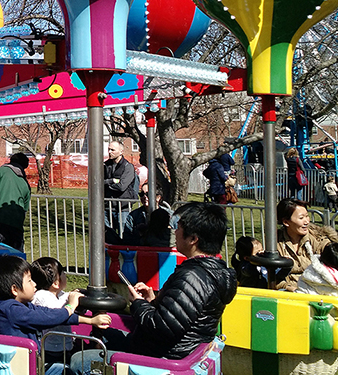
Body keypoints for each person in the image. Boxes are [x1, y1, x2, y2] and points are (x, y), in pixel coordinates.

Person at [70, 203, 237, 374]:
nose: (175, 232)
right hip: (175, 348)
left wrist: (137, 303)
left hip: (164, 357)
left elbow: (161, 328)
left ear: (193, 239)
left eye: (178, 228)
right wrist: (154, 301)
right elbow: (180, 318)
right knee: (101, 332)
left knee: (80, 361)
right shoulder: (210, 272)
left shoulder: (193, 277)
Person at [0, 254, 109, 375]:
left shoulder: (21, 305)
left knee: (65, 369)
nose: (34, 284)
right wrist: (69, 307)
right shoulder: (11, 310)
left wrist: (90, 320)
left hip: (30, 363)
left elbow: (49, 313)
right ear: (14, 289)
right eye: (29, 281)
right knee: (66, 370)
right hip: (20, 368)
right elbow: (46, 319)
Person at [31, 257, 104, 367]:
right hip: (50, 349)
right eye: (63, 273)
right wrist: (91, 320)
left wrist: (82, 301)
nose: (65, 275)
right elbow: (59, 317)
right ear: (56, 282)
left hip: (65, 345)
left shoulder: (60, 294)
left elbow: (72, 306)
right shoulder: (41, 297)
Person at [275, 197, 338, 291]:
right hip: (288, 292)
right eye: (301, 218)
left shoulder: (318, 239)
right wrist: (289, 288)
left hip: (318, 290)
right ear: (286, 222)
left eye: (307, 216)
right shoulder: (275, 243)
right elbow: (271, 276)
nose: (306, 221)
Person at [0, 152, 32, 251]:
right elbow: (24, 211)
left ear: (11, 161)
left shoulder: (0, 171)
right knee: (16, 260)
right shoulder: (26, 185)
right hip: (17, 228)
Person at [104, 141, 137, 237]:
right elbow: (98, 183)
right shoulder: (105, 165)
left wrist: (107, 184)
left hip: (123, 208)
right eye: (109, 149)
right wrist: (112, 181)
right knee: (108, 236)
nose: (109, 152)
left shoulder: (128, 167)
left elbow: (122, 186)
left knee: (124, 235)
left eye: (112, 150)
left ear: (121, 151)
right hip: (107, 207)